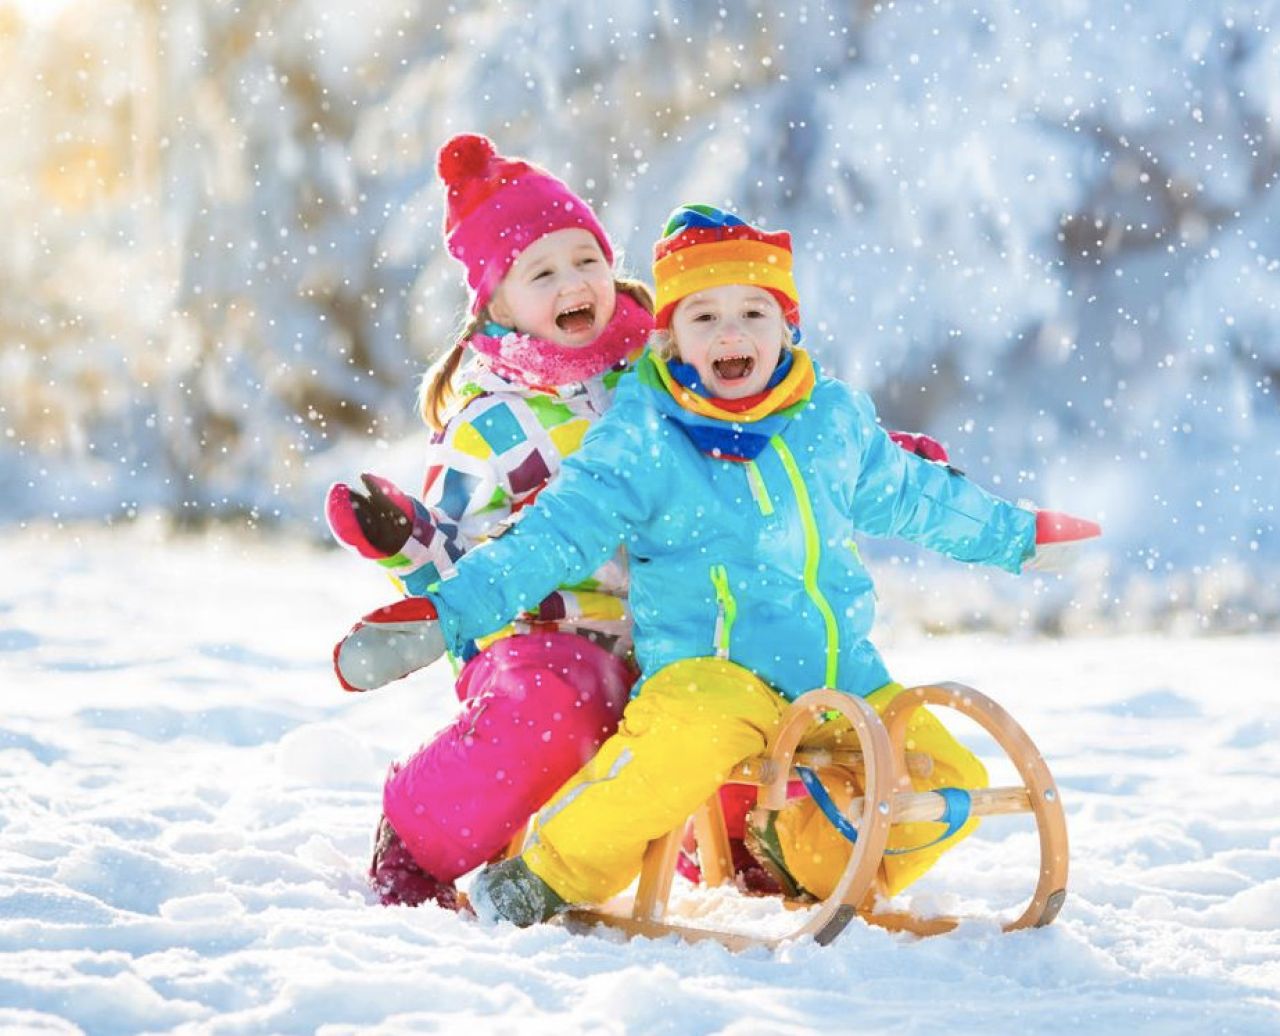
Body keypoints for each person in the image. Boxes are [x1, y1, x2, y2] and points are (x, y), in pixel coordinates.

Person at [351, 203, 1100, 926]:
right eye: (704, 316)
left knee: (947, 779)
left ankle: (798, 862)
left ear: (787, 326)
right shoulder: (642, 434)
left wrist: (1018, 535)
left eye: (753, 312)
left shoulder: (830, 422)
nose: (730, 332)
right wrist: (447, 613)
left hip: (833, 670)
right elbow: (551, 537)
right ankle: (543, 875)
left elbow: (916, 496)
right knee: (673, 754)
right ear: (671, 338)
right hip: (706, 671)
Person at [326, 133, 654, 908]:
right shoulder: (493, 425)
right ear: (498, 304)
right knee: (562, 709)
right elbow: (456, 553)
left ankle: (753, 847)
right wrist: (406, 536)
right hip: (540, 644)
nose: (573, 281)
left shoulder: (659, 370)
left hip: (669, 627)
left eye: (586, 260)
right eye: (542, 272)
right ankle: (419, 832)